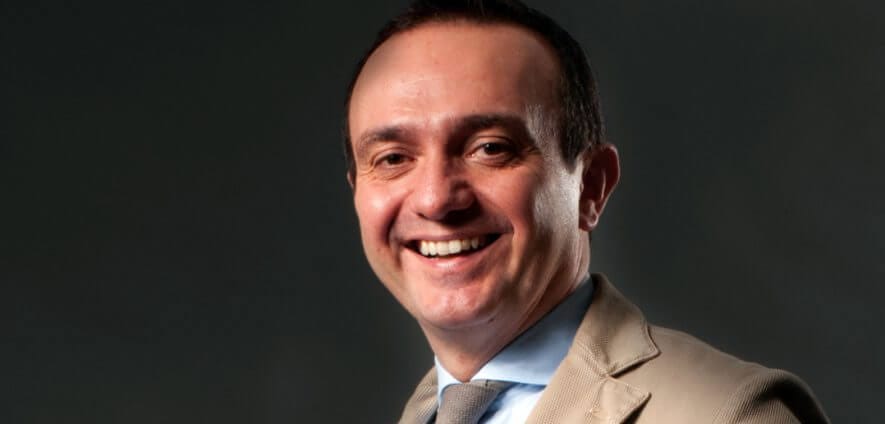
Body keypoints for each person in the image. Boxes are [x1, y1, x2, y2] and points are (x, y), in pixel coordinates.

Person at [343, 1, 829, 422]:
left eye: (490, 148)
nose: (435, 199)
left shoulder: (730, 415)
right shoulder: (428, 410)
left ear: (591, 186)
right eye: (392, 158)